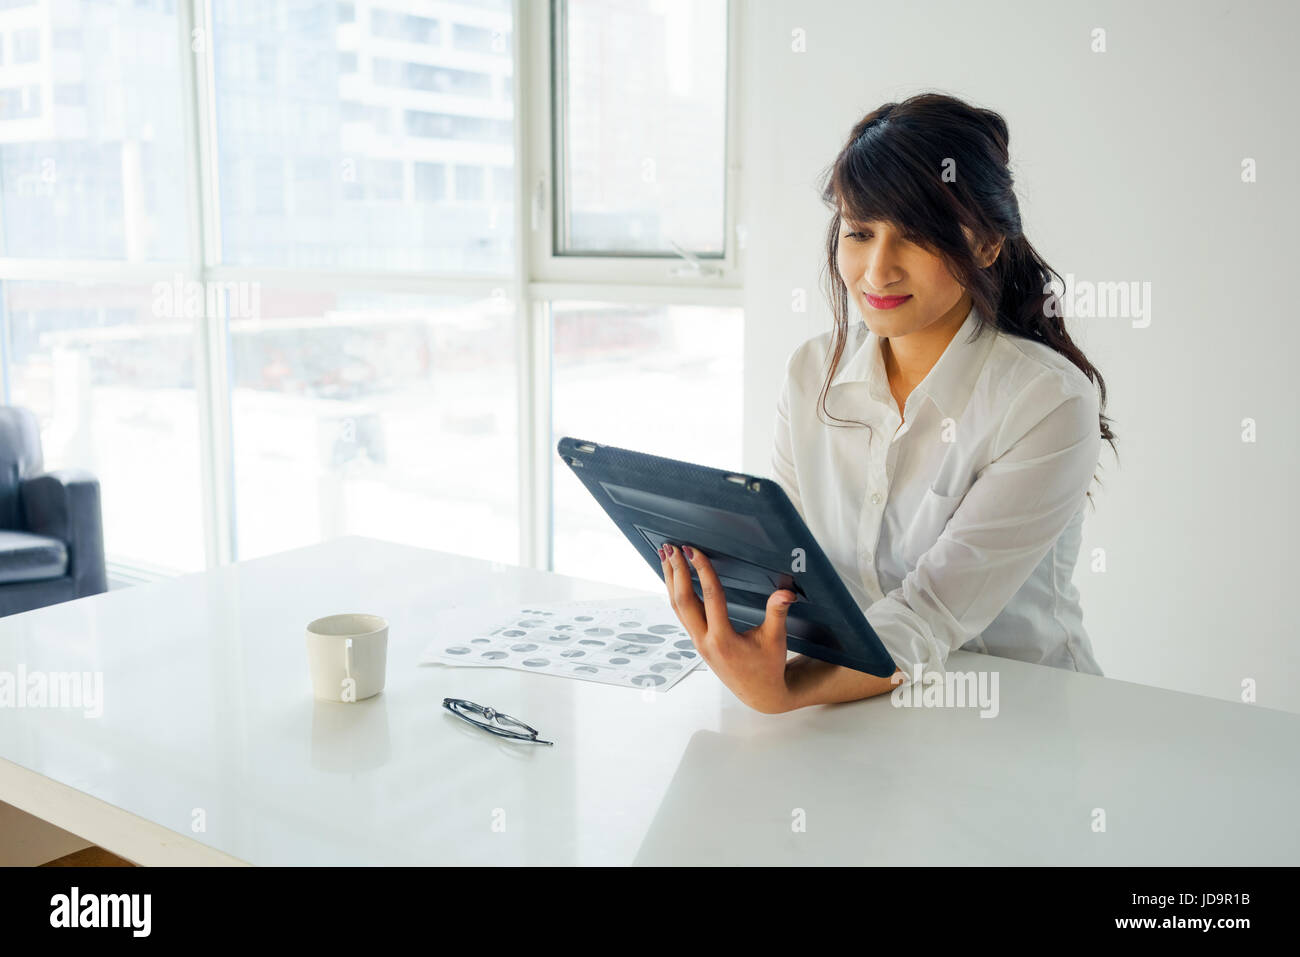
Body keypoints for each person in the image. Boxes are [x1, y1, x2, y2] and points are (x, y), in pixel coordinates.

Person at [657, 92, 1117, 714]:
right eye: (859, 233)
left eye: (918, 238)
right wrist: (729, 605)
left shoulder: (1046, 402)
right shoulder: (812, 372)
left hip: (1018, 713)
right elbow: (793, 564)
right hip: (863, 707)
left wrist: (782, 692)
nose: (878, 271)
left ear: (986, 245)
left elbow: (931, 613)